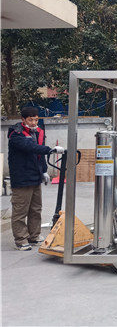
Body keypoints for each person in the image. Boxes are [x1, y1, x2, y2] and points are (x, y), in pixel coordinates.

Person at [7, 107, 64, 251]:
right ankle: (21, 239)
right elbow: (31, 147)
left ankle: (34, 236)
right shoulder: (16, 134)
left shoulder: (37, 132)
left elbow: (39, 154)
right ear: (23, 120)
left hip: (35, 176)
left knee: (36, 209)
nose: (33, 122)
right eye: (30, 120)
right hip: (21, 178)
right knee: (20, 211)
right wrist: (50, 150)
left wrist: (44, 171)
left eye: (36, 119)